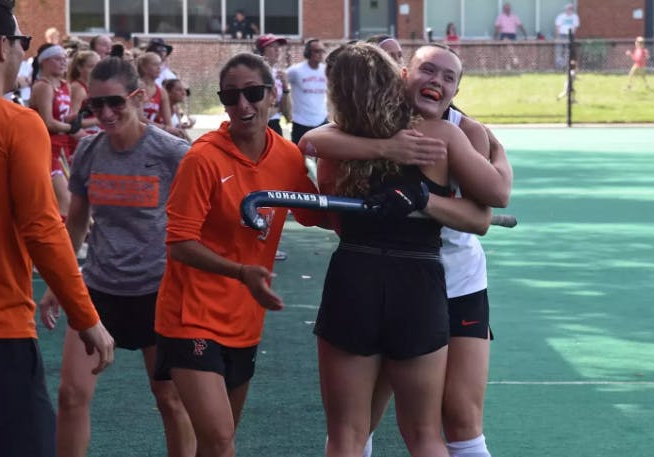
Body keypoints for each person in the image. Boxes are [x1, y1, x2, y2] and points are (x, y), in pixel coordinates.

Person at [301, 42, 512, 457]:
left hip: (394, 278)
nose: (436, 82)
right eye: (428, 71)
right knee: (421, 433)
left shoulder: (455, 130)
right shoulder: (363, 134)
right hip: (417, 282)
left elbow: (492, 202)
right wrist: (387, 148)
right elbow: (313, 142)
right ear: (400, 75)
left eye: (447, 77)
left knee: (352, 432)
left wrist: (423, 196)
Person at [0, 2, 115, 456]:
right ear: (2, 48)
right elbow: (42, 229)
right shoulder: (19, 125)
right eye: (22, 42)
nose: (22, 51)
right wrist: (87, 318)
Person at [153, 53, 329, 457]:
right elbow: (179, 242)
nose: (243, 106)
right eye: (231, 97)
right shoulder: (202, 158)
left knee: (217, 443)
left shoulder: (286, 156)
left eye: (253, 93)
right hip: (190, 315)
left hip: (244, 318)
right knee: (219, 440)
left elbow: (314, 213)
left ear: (272, 94)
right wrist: (241, 272)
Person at [39, 56, 196, 457]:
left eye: (115, 103)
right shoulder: (89, 152)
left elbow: (199, 224)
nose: (105, 114)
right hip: (98, 290)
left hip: (156, 293)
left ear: (139, 97)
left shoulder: (173, 153)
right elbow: (75, 223)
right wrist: (61, 281)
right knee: (71, 395)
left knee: (170, 400)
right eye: (95, 106)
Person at [30, 42, 82, 218]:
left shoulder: (64, 85)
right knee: (64, 203)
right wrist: (70, 127)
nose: (63, 62)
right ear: (44, 61)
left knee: (69, 201)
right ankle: (64, 243)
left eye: (65, 58)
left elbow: (65, 117)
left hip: (63, 147)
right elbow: (47, 122)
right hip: (48, 148)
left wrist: (77, 122)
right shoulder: (43, 86)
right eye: (58, 59)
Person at [287, 38, 328, 144]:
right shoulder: (295, 71)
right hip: (301, 122)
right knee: (298, 157)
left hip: (321, 121)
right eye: (316, 51)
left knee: (323, 157)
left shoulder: (326, 71)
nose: (320, 54)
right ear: (307, 53)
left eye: (322, 51)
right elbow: (281, 83)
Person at [255, 34, 292, 136]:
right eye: (272, 47)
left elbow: (288, 115)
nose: (277, 50)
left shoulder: (279, 75)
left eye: (278, 47)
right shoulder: (254, 74)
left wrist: (285, 88)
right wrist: (274, 107)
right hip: (258, 127)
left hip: (275, 126)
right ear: (261, 51)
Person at [137, 52, 175, 133]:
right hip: (136, 132)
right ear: (144, 68)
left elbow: (169, 124)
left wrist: (171, 130)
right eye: (155, 64)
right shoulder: (137, 87)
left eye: (160, 64)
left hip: (150, 133)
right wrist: (164, 128)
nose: (159, 68)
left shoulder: (161, 91)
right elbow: (139, 118)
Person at [67, 50, 101, 140]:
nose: (96, 70)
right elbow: (72, 122)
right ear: (80, 68)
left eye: (98, 66)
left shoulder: (90, 86)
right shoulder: (78, 88)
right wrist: (99, 119)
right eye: (91, 66)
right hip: (81, 138)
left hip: (93, 133)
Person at [554, 3, 580, 68]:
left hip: (570, 36)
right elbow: (557, 27)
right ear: (566, 9)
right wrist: (558, 37)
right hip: (561, 35)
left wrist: (572, 36)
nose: (569, 10)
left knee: (568, 51)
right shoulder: (561, 16)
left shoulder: (575, 17)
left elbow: (575, 27)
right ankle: (559, 66)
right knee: (559, 51)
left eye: (571, 9)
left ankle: (566, 66)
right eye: (568, 9)